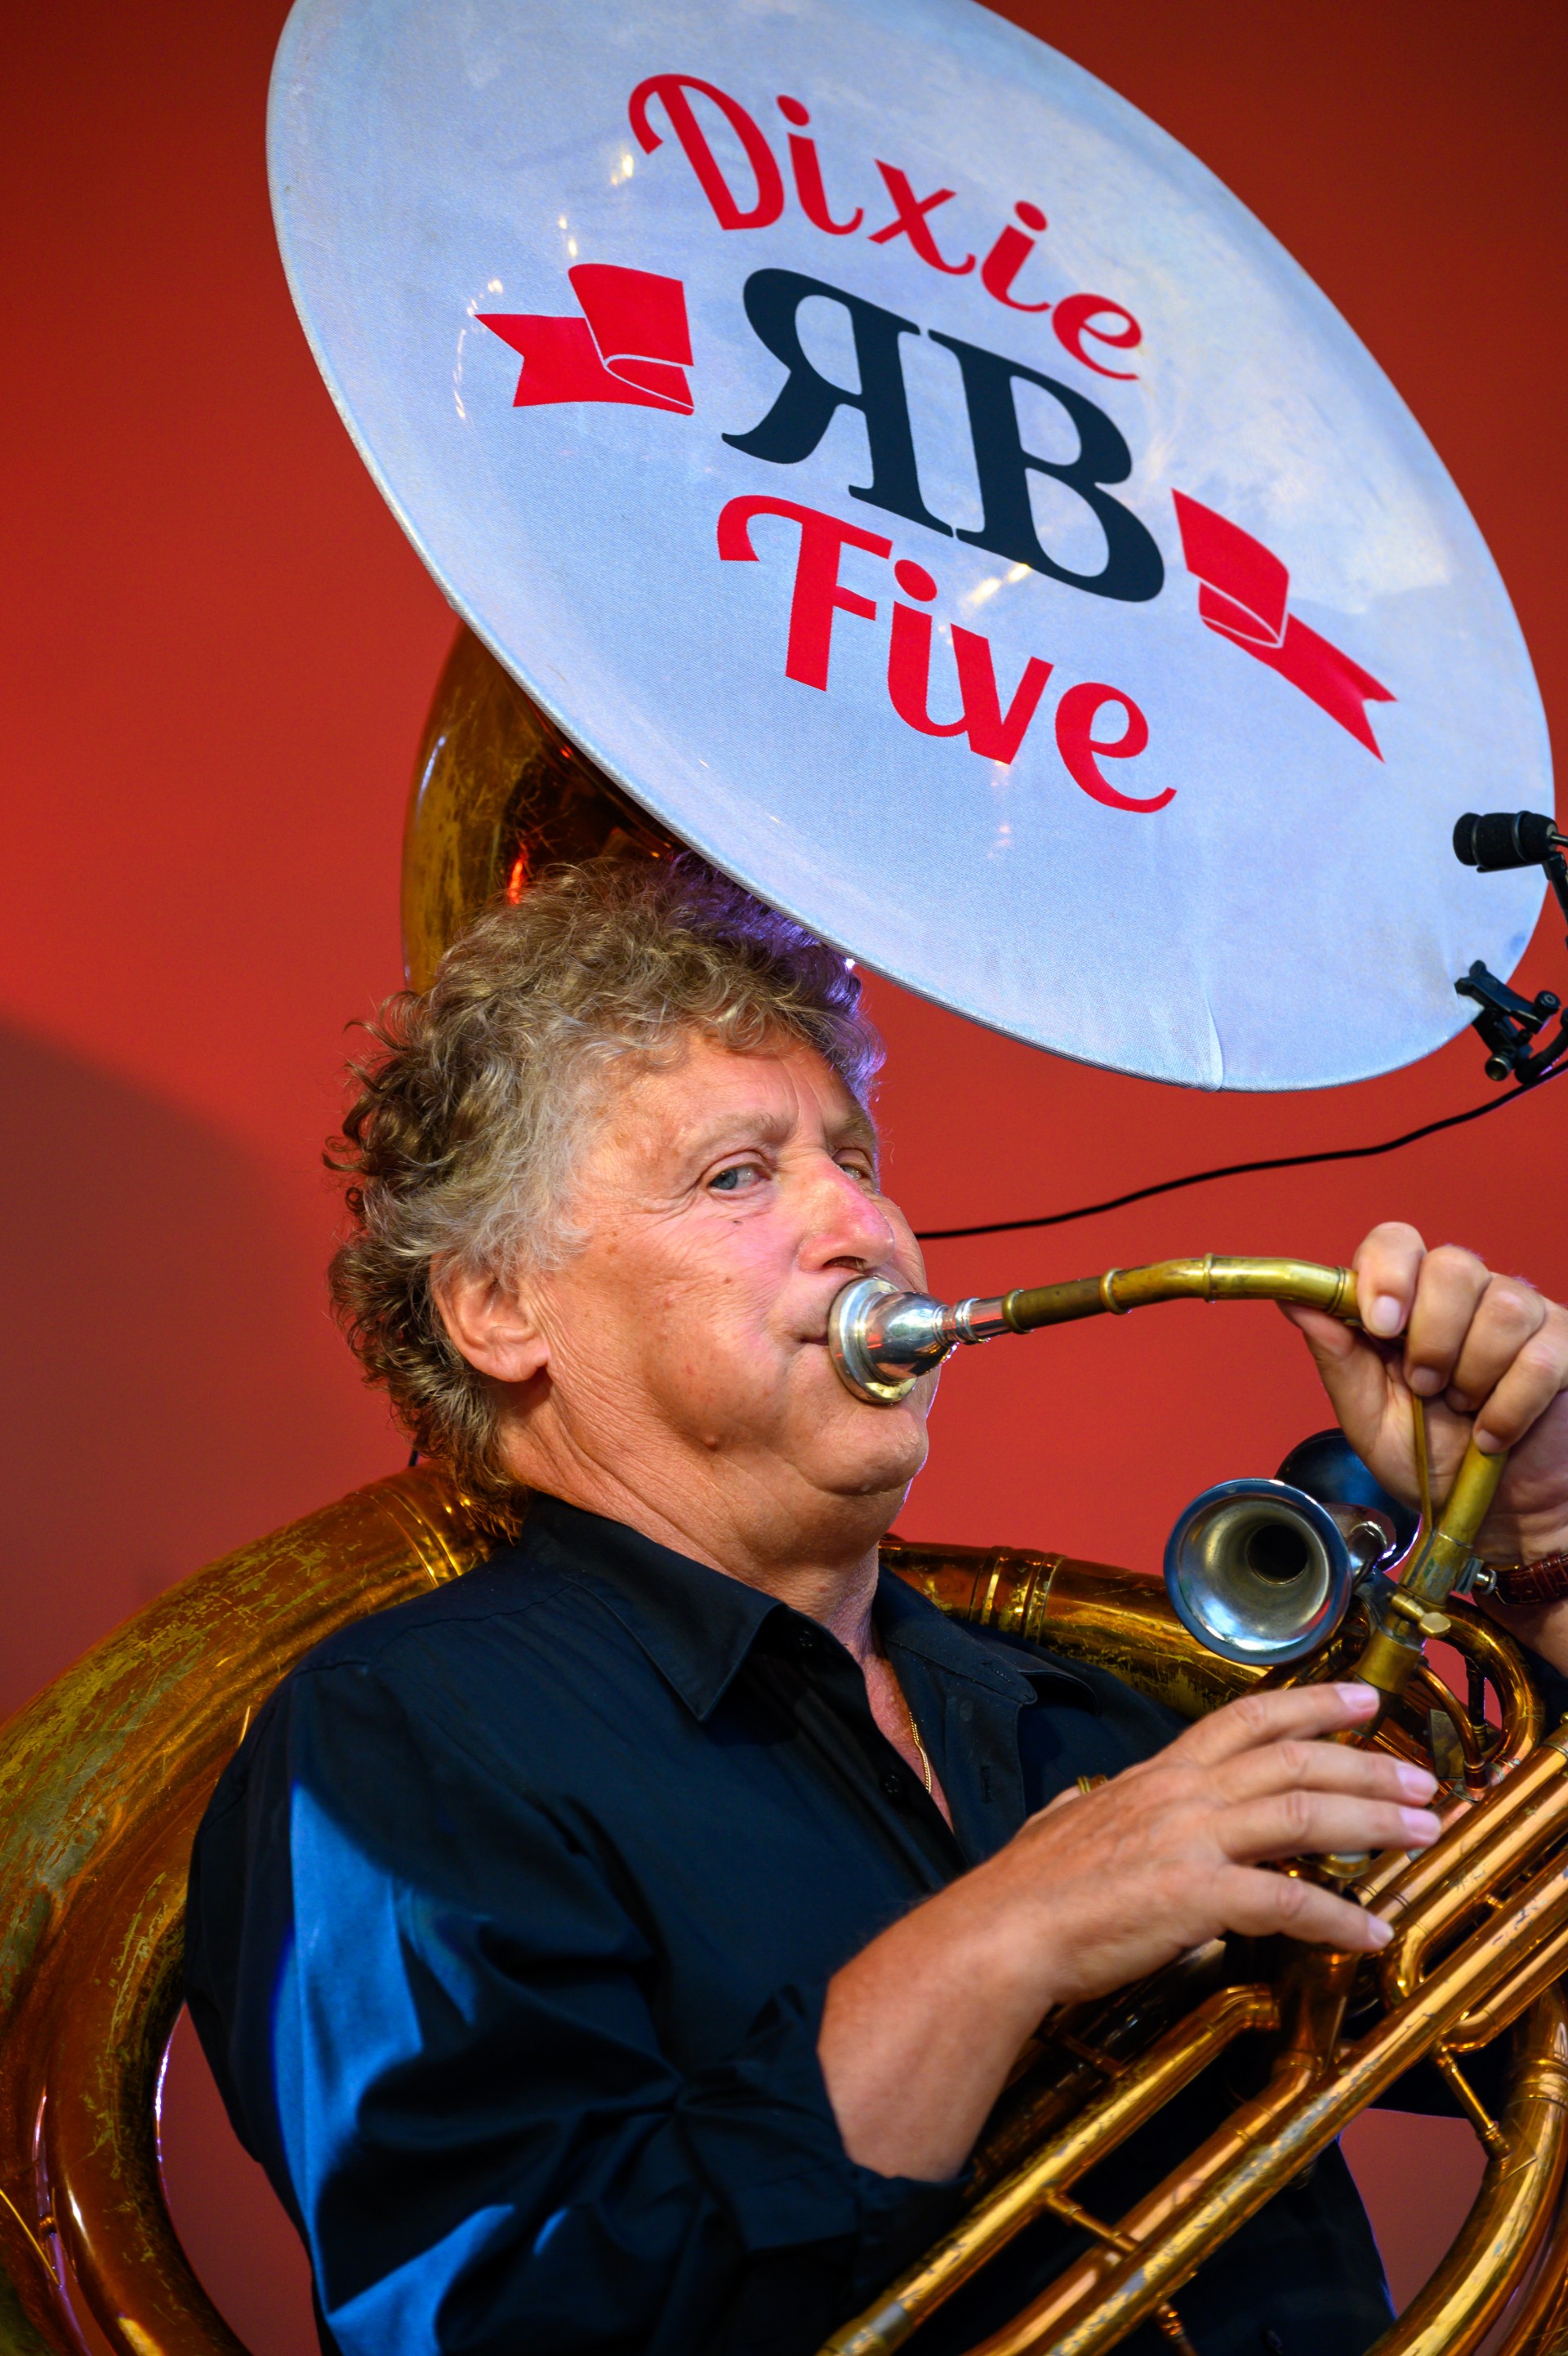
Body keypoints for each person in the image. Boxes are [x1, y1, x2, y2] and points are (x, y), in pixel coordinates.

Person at [185, 856, 1568, 2356]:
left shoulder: (1078, 1713)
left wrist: (1545, 1539)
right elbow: (502, 2319)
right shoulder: (405, 1735)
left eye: (857, 1158)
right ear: (499, 1306)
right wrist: (1002, 1941)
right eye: (737, 1174)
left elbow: (1516, 1983)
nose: (864, 1223)